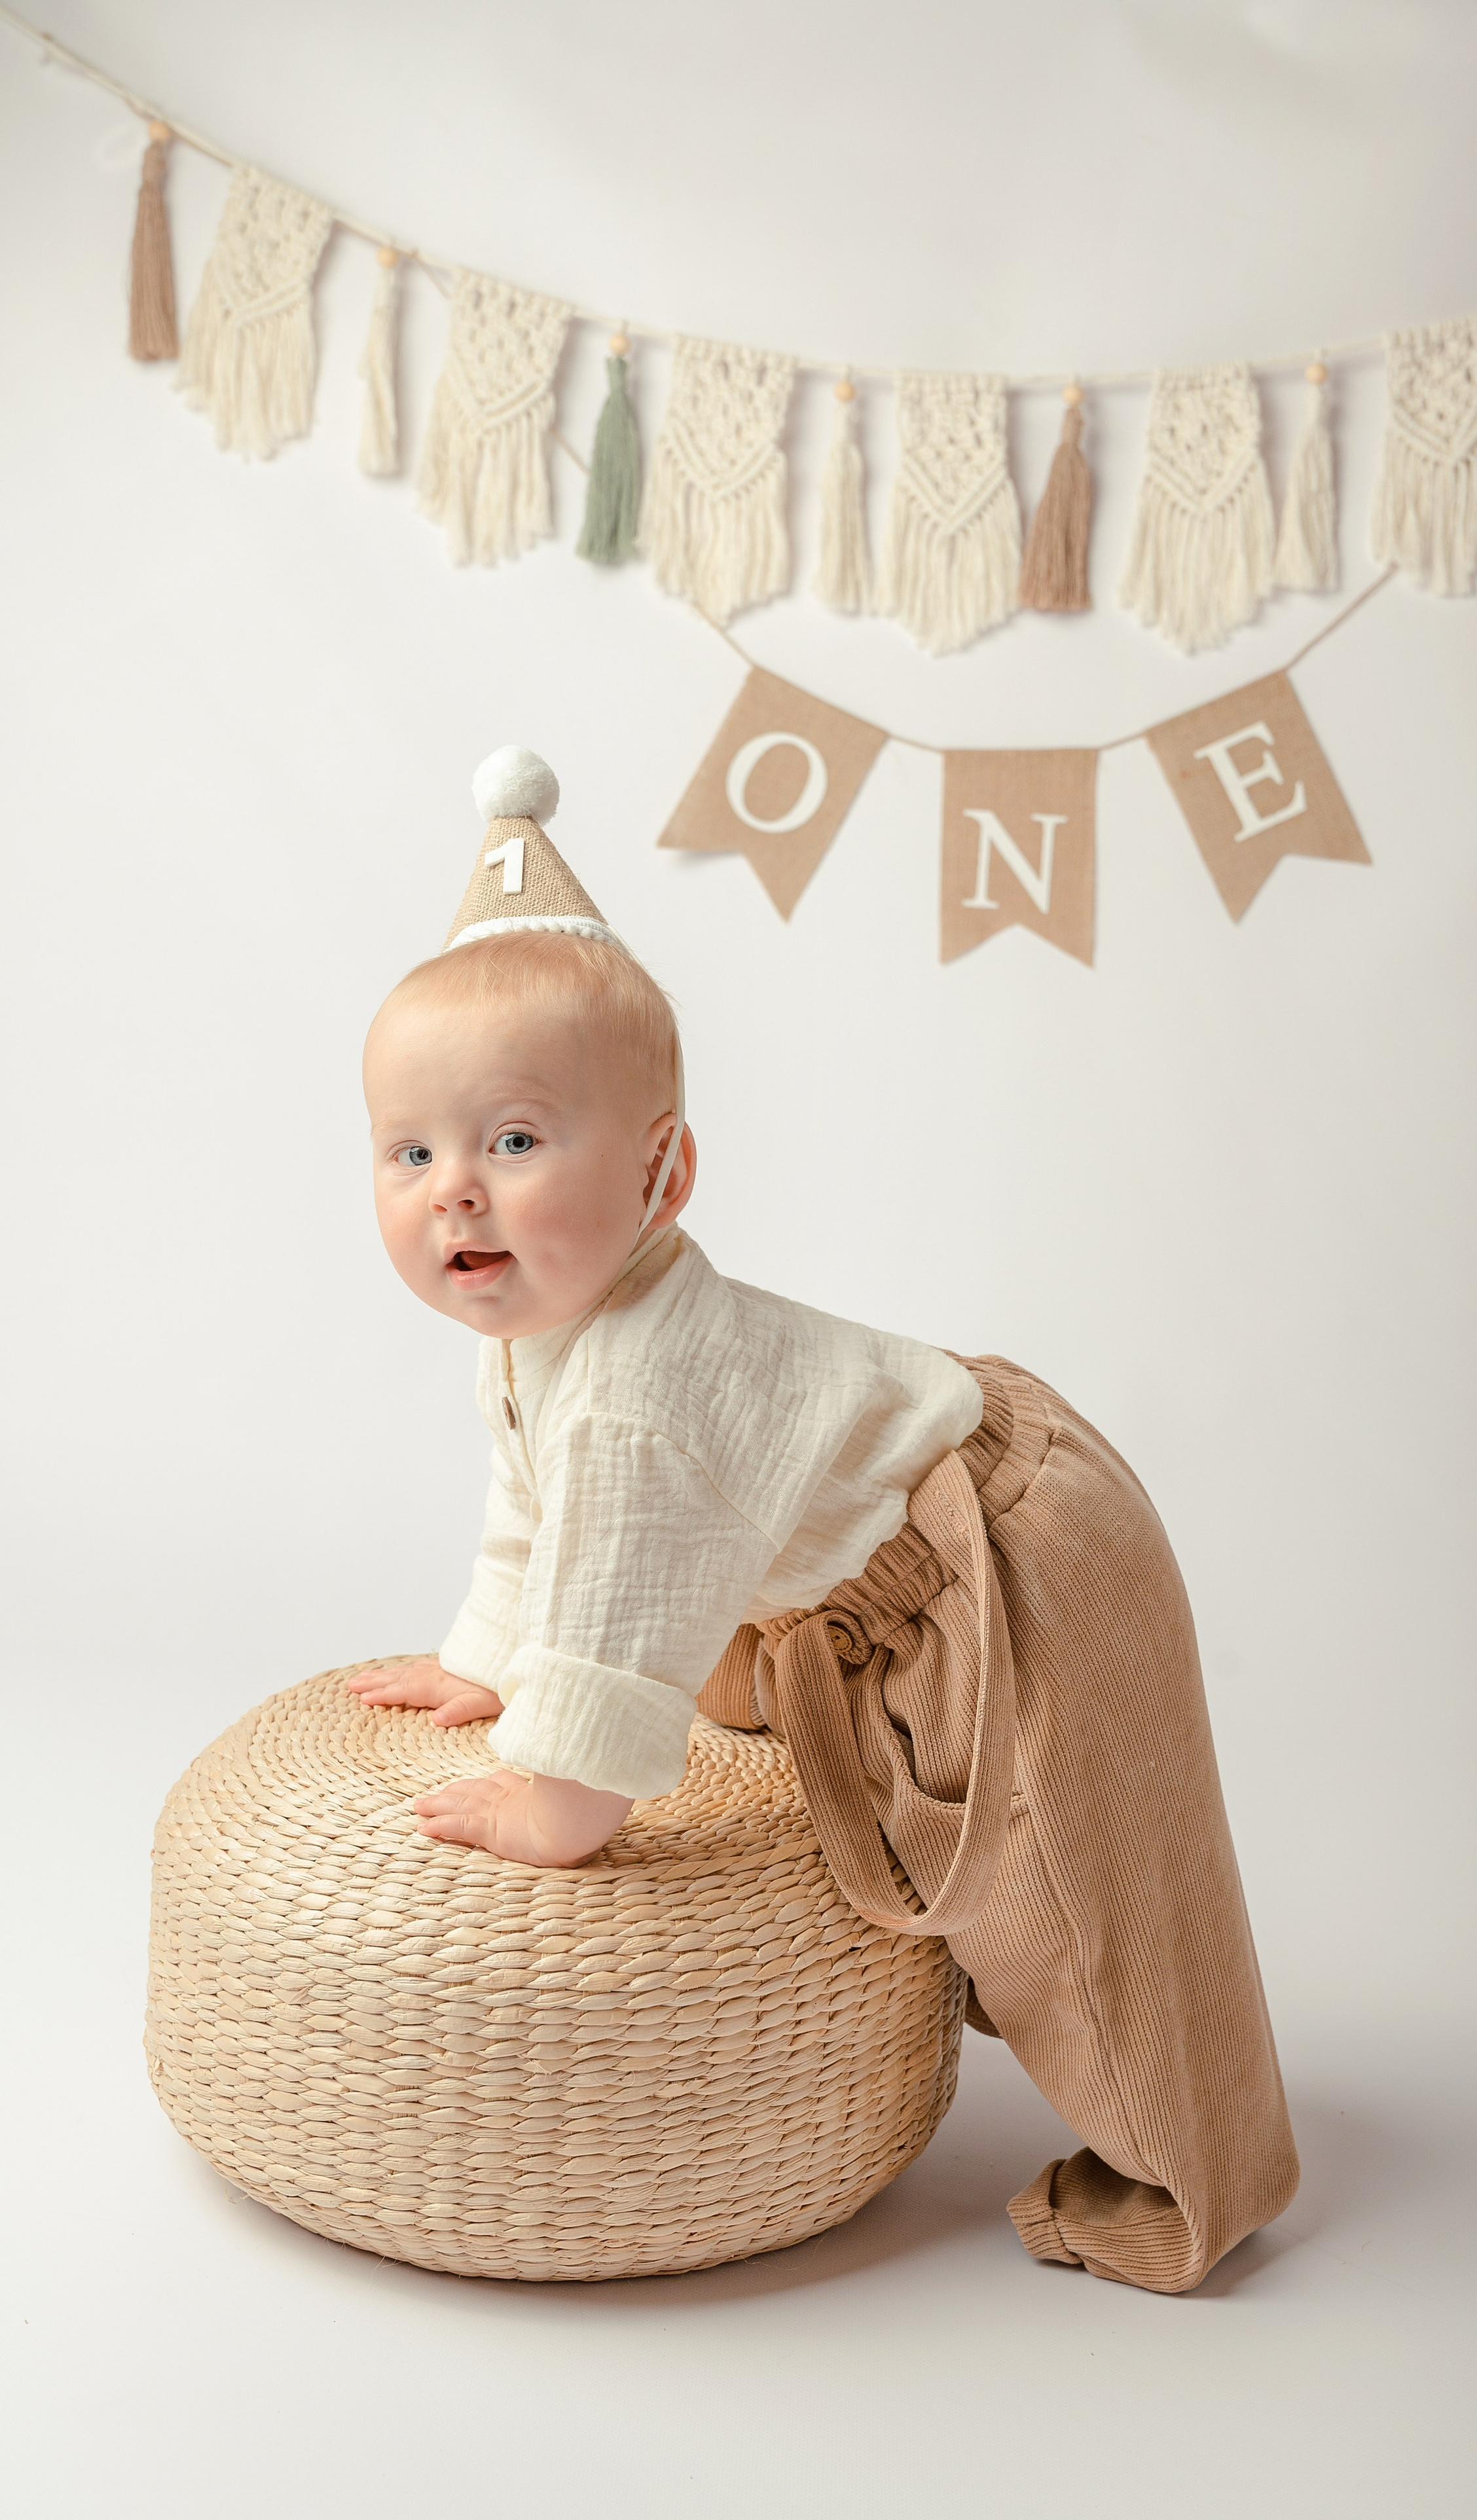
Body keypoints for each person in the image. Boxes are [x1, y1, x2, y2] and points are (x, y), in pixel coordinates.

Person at [349, 745, 1299, 2291]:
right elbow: (537, 1524)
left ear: (662, 1174)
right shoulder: (536, 1345)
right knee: (811, 1725)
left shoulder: (636, 1393)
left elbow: (617, 1603)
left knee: (1080, 1898)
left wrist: (554, 1797)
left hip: (1005, 1552)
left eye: (513, 1141)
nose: (455, 1189)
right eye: (412, 1150)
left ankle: (1191, 2182)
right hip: (889, 1542)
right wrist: (486, 1659)